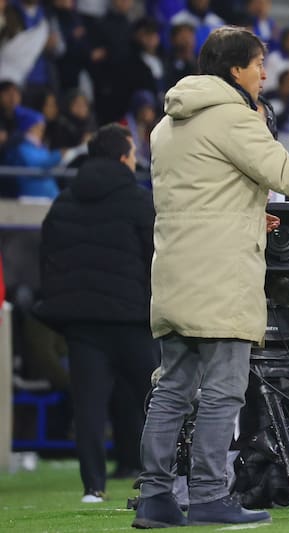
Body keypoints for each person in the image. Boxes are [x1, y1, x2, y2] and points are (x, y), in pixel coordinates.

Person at [133, 25, 289, 529]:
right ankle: (210, 496)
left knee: (173, 388)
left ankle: (156, 498)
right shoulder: (232, 117)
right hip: (221, 277)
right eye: (258, 65)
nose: (264, 75)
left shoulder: (167, 125)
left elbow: (202, 194)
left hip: (175, 274)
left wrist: (249, 212)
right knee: (224, 389)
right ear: (236, 70)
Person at [34, 124, 159, 503]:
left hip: (82, 323)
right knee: (159, 400)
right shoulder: (138, 201)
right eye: (133, 153)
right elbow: (156, 258)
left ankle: (93, 486)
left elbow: (48, 258)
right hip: (132, 319)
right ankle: (166, 476)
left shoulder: (63, 202)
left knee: (88, 406)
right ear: (123, 157)